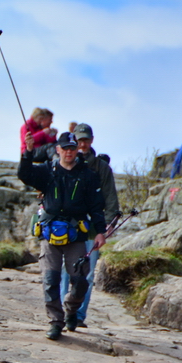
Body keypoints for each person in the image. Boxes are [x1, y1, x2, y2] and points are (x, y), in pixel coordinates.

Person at [18, 131, 107, 340]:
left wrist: (100, 232)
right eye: (65, 148)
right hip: (50, 234)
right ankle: (55, 322)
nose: (68, 152)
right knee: (51, 279)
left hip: (76, 235)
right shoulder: (47, 171)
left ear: (77, 150)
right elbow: (25, 175)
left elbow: (96, 207)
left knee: (80, 280)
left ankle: (70, 310)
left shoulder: (88, 175)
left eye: (72, 148)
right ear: (58, 150)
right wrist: (28, 153)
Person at [59, 123, 121, 328]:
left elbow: (111, 199)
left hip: (92, 228)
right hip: (67, 227)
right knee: (65, 271)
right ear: (73, 141)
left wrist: (108, 225)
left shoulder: (102, 168)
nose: (83, 144)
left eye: (86, 139)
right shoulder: (64, 163)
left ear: (92, 140)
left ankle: (78, 316)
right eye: (79, 140)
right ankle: (62, 312)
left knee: (87, 272)